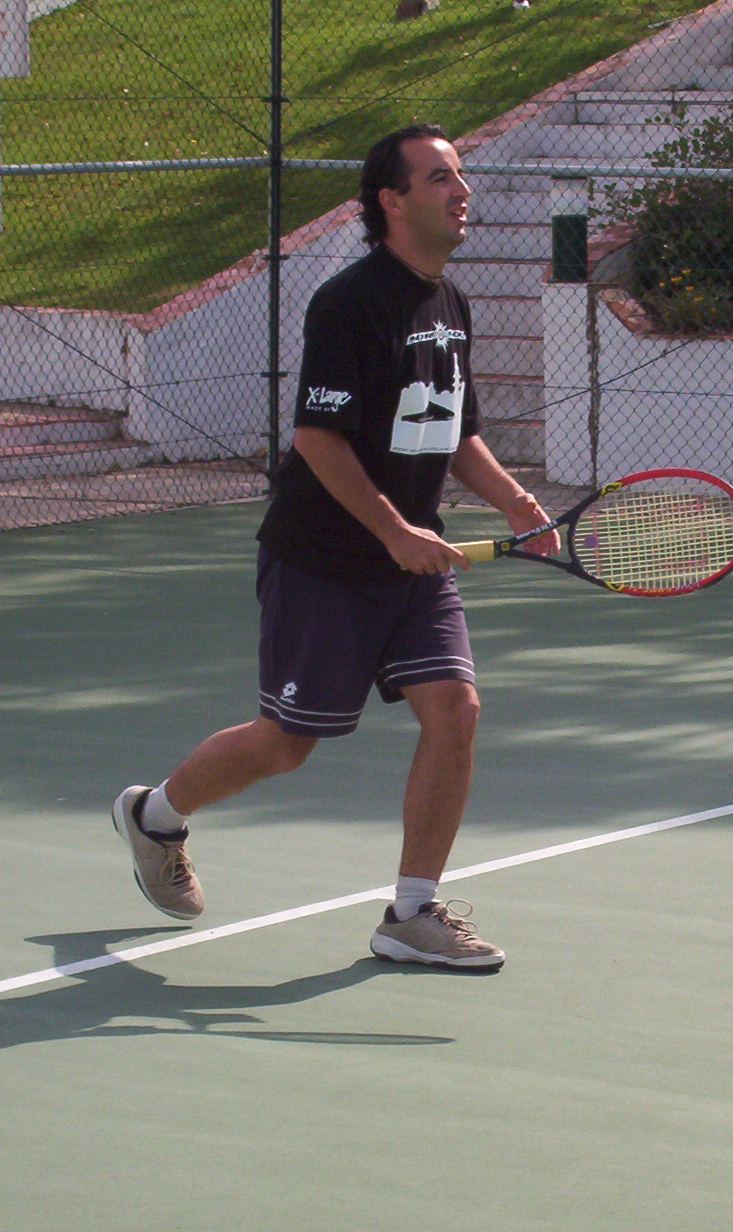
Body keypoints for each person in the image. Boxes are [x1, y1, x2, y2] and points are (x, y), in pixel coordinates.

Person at [111, 124, 557, 970]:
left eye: (460, 175)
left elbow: (457, 432)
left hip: (413, 566)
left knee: (456, 711)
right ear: (393, 200)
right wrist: (392, 531)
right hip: (324, 559)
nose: (461, 190)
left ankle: (411, 914)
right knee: (285, 744)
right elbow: (318, 437)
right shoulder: (348, 302)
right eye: (439, 178)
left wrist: (512, 498)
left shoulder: (451, 304)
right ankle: (153, 817)